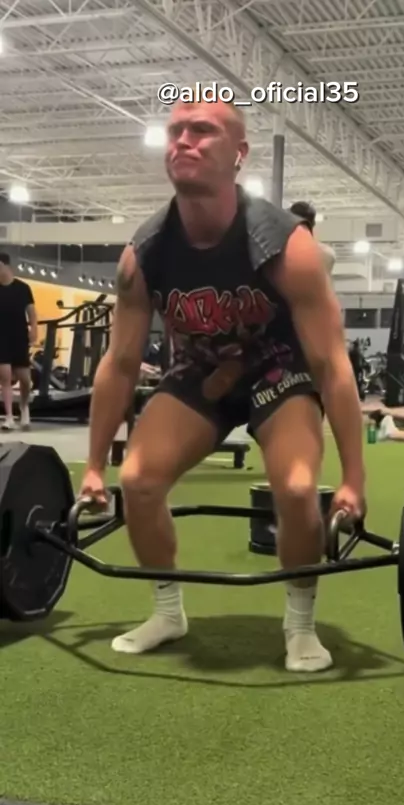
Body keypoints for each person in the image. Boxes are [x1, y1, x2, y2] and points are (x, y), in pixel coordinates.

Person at [80, 97, 366, 672]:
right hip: (203, 370)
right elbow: (121, 362)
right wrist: (92, 466)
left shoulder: (287, 247)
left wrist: (354, 478)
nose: (183, 141)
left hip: (278, 370)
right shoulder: (145, 254)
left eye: (202, 131)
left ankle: (300, 625)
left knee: (296, 487)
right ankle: (168, 613)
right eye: (175, 132)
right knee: (137, 481)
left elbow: (331, 363)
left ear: (239, 153)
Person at [0, 252, 37, 430]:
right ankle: (9, 417)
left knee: (25, 379)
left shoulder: (23, 288)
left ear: (4, 266)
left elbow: (31, 312)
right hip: (1, 337)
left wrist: (34, 329)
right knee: (5, 377)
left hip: (19, 336)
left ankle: (23, 407)